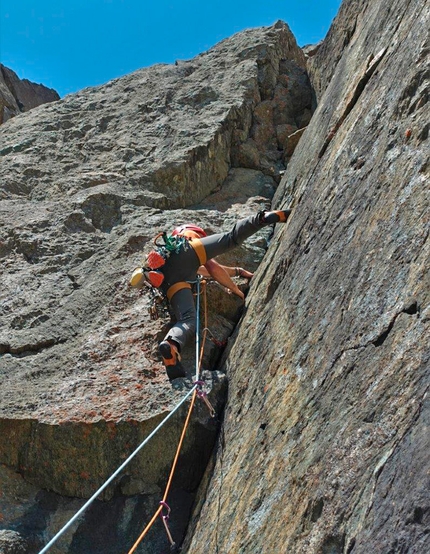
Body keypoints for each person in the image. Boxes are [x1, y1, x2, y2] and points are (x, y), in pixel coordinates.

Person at [158, 209, 291, 379]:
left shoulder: (168, 253)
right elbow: (213, 268)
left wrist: (238, 271)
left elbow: (202, 270)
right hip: (187, 255)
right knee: (231, 238)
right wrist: (235, 290)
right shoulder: (188, 241)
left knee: (187, 319)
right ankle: (262, 218)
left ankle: (171, 344)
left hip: (167, 278)